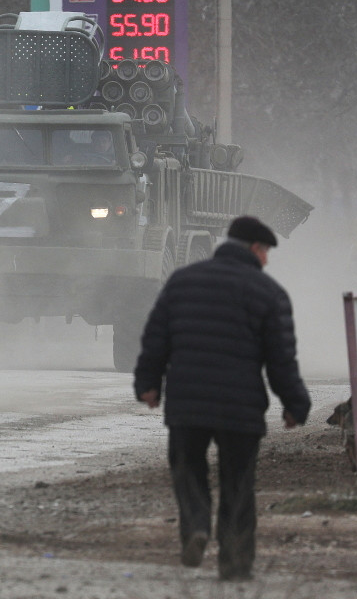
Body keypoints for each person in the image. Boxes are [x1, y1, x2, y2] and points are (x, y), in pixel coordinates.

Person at [133, 215, 310, 581]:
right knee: (238, 484)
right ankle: (234, 564)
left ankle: (197, 525)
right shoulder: (269, 293)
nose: (267, 262)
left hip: (187, 404)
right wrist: (295, 405)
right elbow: (281, 359)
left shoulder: (182, 282)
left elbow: (156, 338)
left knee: (188, 471)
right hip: (240, 408)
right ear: (255, 249)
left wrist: (148, 384)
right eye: (266, 254)